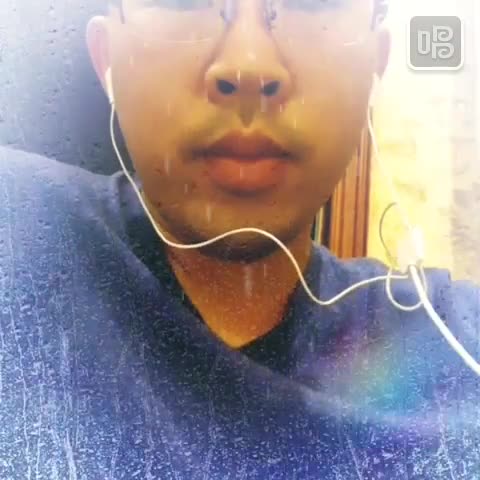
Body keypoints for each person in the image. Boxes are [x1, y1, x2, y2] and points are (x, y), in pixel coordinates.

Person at [0, 0, 479, 478]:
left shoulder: (455, 352)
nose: (249, 65)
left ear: (375, 66)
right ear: (107, 61)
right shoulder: (16, 236)